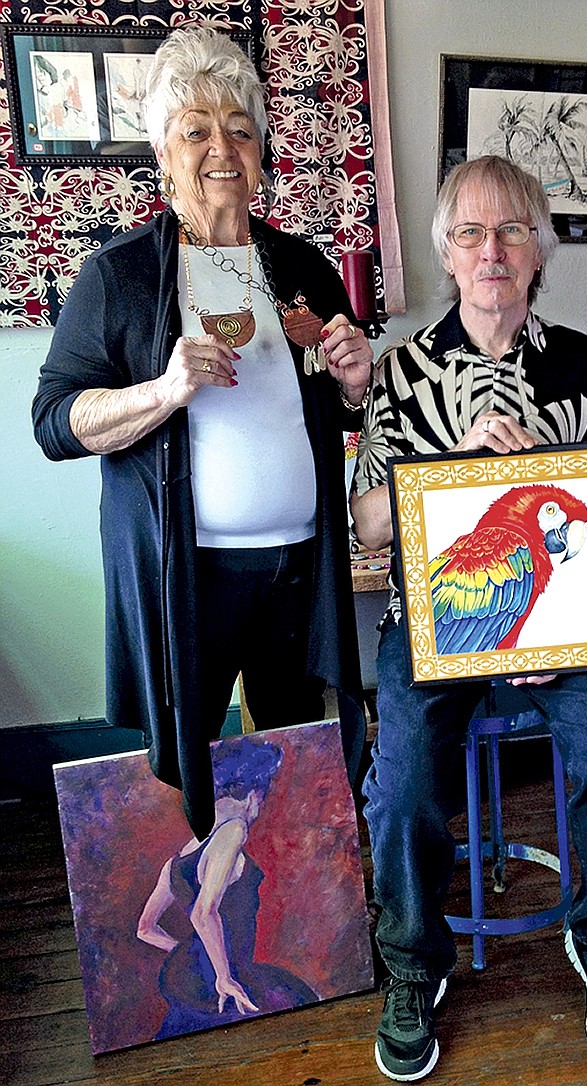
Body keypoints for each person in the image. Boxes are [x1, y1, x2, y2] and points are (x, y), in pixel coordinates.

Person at [352, 155, 587, 1081]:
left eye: (514, 231)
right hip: (435, 621)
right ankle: (412, 962)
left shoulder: (580, 365)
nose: (493, 251)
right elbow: (365, 518)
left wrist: (543, 626)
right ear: (446, 251)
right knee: (401, 773)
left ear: (539, 253)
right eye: (473, 233)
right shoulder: (402, 371)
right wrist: (445, 465)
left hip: (556, 620)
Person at [32, 27, 370, 839]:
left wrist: (355, 382)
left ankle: (295, 921)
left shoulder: (301, 266)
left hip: (298, 562)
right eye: (197, 128)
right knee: (183, 753)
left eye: (241, 129)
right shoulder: (121, 275)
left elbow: (343, 404)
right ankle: (190, 931)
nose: (222, 147)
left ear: (262, 151)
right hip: (186, 571)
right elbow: (55, 421)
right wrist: (163, 389)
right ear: (163, 147)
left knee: (295, 746)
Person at [137, 738, 318, 1037]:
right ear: (253, 794)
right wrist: (223, 975)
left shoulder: (178, 859)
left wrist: (191, 954)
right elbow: (203, 912)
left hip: (191, 974)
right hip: (222, 979)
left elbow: (145, 929)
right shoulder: (234, 829)